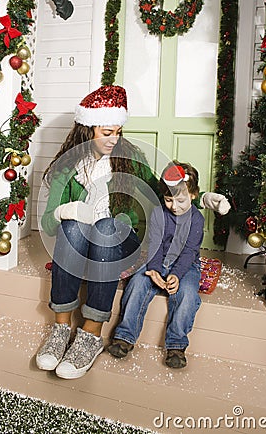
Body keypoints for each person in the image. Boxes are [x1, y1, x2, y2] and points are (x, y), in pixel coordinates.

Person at [36, 85, 230, 380]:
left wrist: (201, 198)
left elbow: (163, 190)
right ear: (88, 129)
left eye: (117, 131)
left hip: (118, 240)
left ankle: (91, 333)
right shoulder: (69, 167)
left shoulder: (130, 157)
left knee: (105, 227)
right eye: (105, 132)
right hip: (80, 244)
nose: (113, 139)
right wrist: (66, 210)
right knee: (72, 228)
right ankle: (61, 328)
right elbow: (49, 224)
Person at [107, 161, 204, 369]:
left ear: (193, 195)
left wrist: (177, 275)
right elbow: (155, 245)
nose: (174, 206)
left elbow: (189, 252)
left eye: (181, 200)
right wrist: (154, 270)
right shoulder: (159, 214)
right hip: (158, 260)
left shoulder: (197, 219)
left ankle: (176, 344)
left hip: (186, 265)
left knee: (187, 293)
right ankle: (125, 336)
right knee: (137, 284)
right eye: (169, 200)